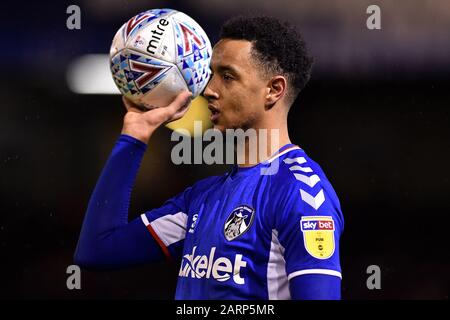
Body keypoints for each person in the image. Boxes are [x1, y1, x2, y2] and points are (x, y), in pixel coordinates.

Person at [74, 15, 344, 300]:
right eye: (211, 74)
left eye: (227, 76)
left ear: (273, 90)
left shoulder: (303, 194)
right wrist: (135, 134)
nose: (208, 90)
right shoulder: (202, 198)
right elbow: (97, 249)